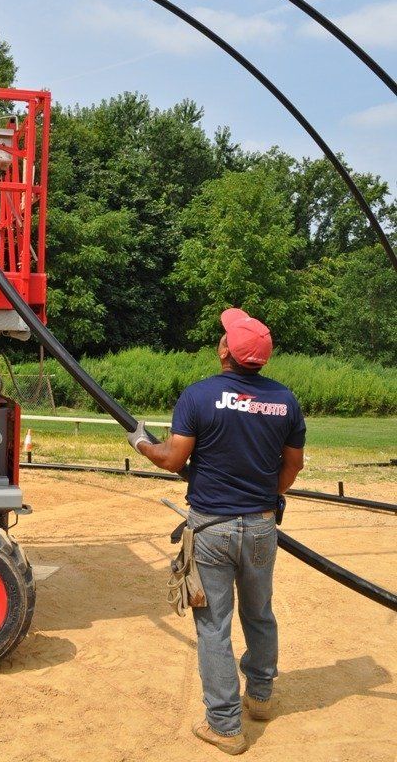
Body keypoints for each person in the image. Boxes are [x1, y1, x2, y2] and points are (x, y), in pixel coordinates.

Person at [127, 308, 305, 755]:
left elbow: (172, 459)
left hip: (212, 529)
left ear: (226, 350)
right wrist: (266, 496)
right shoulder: (285, 400)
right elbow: (293, 465)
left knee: (214, 627)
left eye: (223, 336)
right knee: (260, 613)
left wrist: (141, 442)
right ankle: (260, 697)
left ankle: (225, 726)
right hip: (263, 527)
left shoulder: (199, 396)